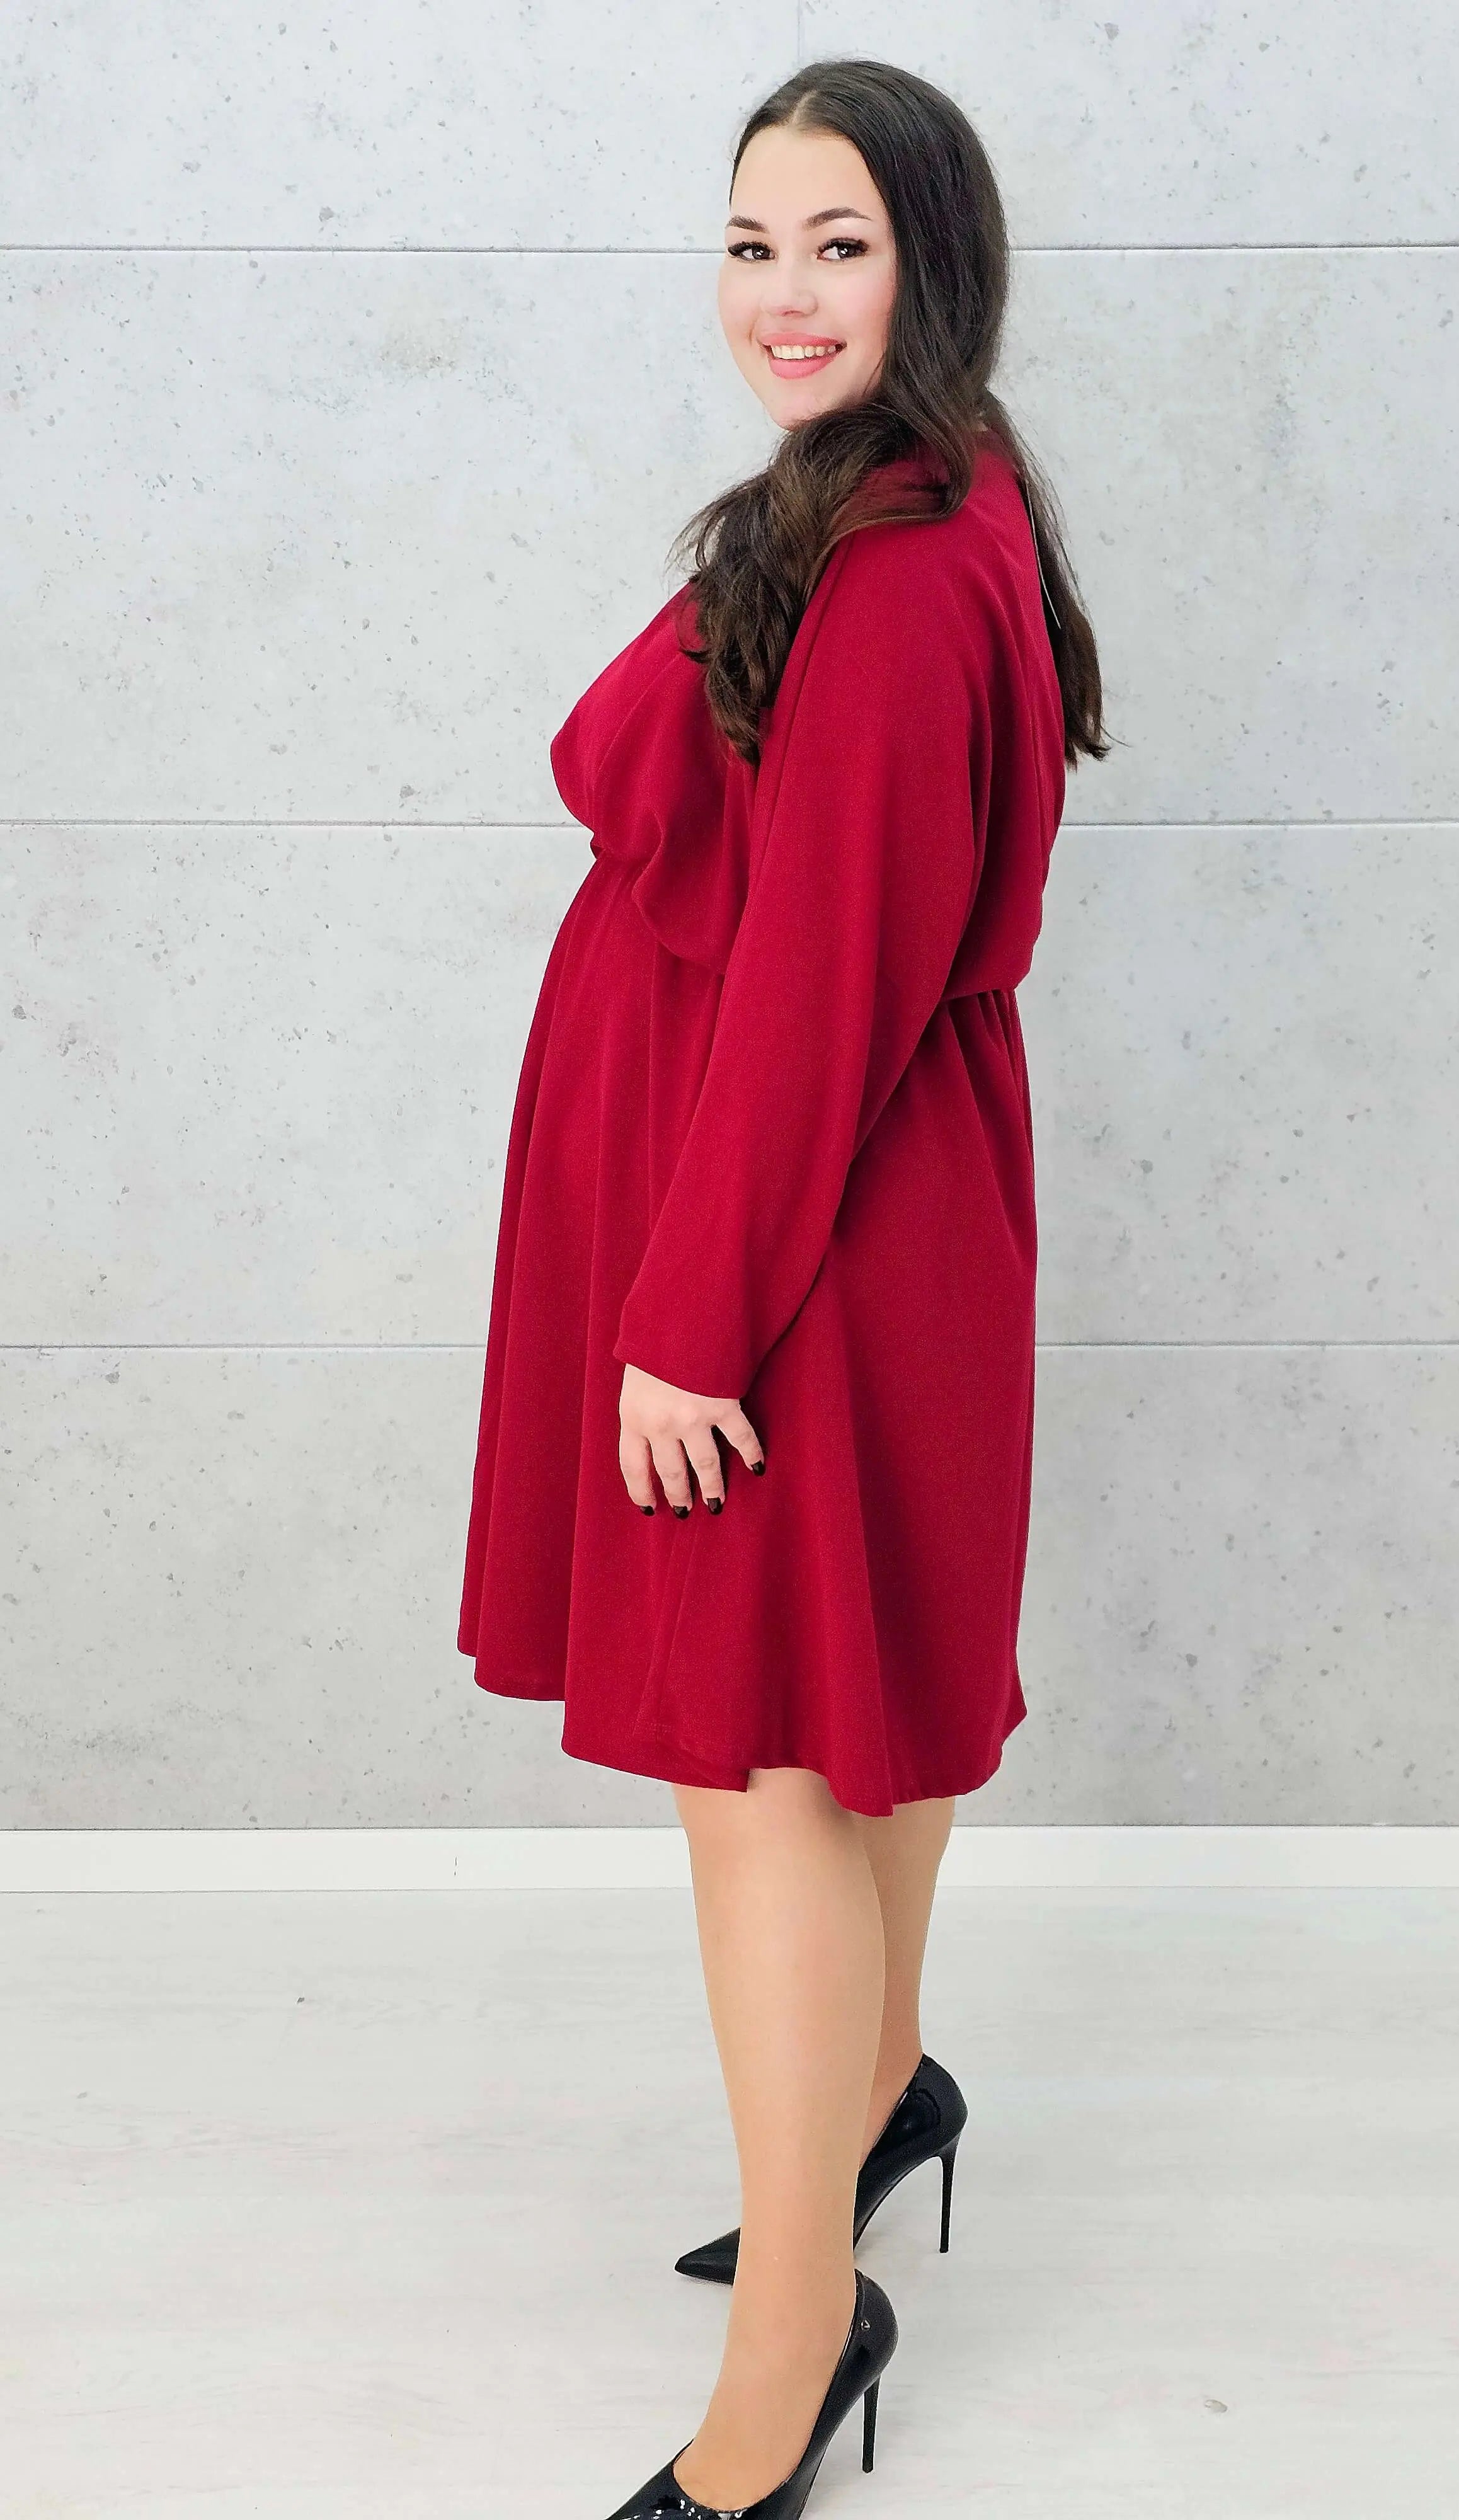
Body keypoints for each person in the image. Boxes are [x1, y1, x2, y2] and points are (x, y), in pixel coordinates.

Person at [457, 56, 1107, 2519]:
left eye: (839, 244)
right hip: (840, 1202)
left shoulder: (903, 569)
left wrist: (686, 1318)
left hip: (798, 1233)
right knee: (849, 1723)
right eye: (751, 243)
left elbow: (828, 980)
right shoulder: (880, 500)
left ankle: (795, 2363)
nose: (783, 293)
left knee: (760, 1775)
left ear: (936, 263)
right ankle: (877, 2096)